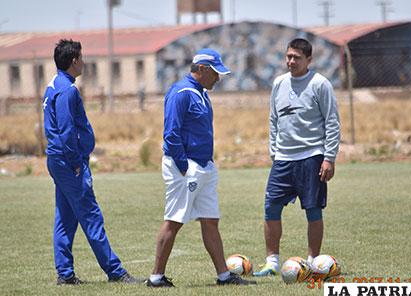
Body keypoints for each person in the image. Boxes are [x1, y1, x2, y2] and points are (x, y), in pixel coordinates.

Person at [146, 48, 256, 288]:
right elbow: (171, 134)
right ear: (203, 69)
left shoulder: (202, 93)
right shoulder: (181, 92)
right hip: (186, 168)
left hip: (205, 166)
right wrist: (185, 167)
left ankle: (224, 276)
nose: (218, 78)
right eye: (216, 72)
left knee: (210, 220)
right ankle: (156, 278)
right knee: (174, 220)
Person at [43, 39, 140, 285]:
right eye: (82, 58)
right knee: (91, 215)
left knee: (65, 218)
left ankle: (65, 274)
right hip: (68, 162)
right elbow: (65, 130)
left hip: (58, 160)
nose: (84, 62)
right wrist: (76, 161)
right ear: (74, 61)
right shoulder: (67, 90)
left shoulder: (55, 84)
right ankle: (115, 271)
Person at [253, 38, 340, 276]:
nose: (291, 61)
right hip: (283, 159)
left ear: (309, 60)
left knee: (313, 210)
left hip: (312, 156)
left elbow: (332, 122)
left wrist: (329, 157)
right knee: (270, 207)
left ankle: (313, 261)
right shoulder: (279, 83)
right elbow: (273, 119)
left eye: (297, 58)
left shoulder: (320, 84)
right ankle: (271, 262)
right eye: (288, 56)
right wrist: (274, 151)